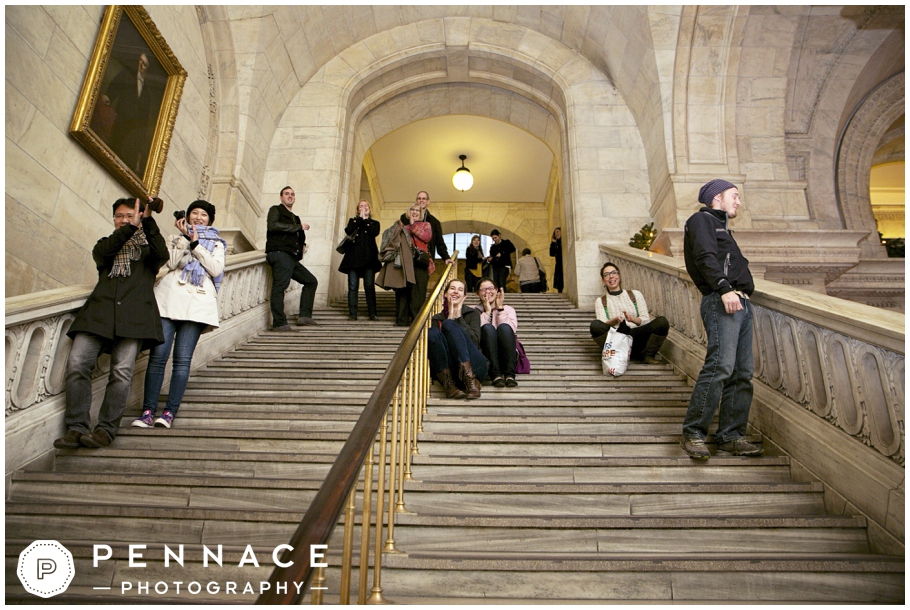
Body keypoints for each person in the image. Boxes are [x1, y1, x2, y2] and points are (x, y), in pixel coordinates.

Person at [53, 197, 168, 449]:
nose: (124, 220)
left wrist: (147, 221)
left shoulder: (149, 250)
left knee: (121, 373)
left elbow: (163, 255)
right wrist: (129, 228)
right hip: (98, 315)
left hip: (135, 319)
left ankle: (106, 429)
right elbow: (102, 254)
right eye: (119, 216)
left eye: (129, 215)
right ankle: (76, 428)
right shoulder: (107, 245)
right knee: (77, 365)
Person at [680, 179, 763, 460]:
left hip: (740, 302)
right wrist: (724, 288)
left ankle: (730, 435)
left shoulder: (721, 227)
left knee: (742, 373)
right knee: (720, 367)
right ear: (717, 197)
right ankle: (694, 432)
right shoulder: (702, 219)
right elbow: (704, 256)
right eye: (734, 196)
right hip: (723, 299)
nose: (739, 202)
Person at [132, 200, 226, 430]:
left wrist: (196, 245)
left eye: (204, 214)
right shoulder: (176, 238)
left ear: (210, 220)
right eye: (195, 213)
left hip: (196, 305)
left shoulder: (217, 244)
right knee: (157, 358)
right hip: (168, 301)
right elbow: (170, 262)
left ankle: (169, 412)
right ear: (187, 216)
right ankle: (147, 411)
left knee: (182, 361)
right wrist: (184, 238)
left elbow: (215, 269)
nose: (199, 217)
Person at [589, 262, 669, 364]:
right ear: (603, 280)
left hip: (637, 335)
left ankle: (648, 355)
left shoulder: (635, 294)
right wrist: (615, 320)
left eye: (614, 273)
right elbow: (602, 323)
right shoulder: (600, 301)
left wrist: (632, 319)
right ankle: (615, 354)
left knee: (662, 322)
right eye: (606, 274)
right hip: (617, 338)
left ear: (619, 276)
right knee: (595, 325)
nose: (611, 276)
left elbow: (645, 320)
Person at [265, 186, 318, 330]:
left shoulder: (295, 217)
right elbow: (273, 226)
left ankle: (305, 316)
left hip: (291, 257)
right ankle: (279, 323)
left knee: (311, 281)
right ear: (281, 197)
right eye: (286, 194)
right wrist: (298, 228)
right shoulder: (275, 210)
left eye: (292, 194)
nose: (290, 196)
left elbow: (299, 236)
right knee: (280, 286)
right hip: (279, 253)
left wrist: (302, 246)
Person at [106, 52, 166, 176]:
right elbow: (114, 87)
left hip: (133, 128)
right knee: (113, 143)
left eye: (144, 63)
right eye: (140, 61)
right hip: (121, 117)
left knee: (125, 151)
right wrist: (108, 98)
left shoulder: (147, 93)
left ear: (147, 68)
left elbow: (145, 117)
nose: (140, 64)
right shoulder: (127, 75)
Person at [428, 279, 488, 399]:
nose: (456, 292)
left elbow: (475, 342)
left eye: (460, 290)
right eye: (452, 288)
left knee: (448, 324)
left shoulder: (472, 313)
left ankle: (471, 381)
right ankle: (448, 384)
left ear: (464, 297)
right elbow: (436, 347)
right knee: (432, 332)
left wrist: (458, 317)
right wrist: (449, 316)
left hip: (475, 366)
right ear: (445, 294)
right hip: (451, 371)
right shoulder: (437, 318)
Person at [377, 205, 421, 326]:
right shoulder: (400, 227)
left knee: (408, 293)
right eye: (412, 210)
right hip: (403, 263)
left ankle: (406, 320)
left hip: (416, 263)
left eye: (417, 211)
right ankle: (402, 320)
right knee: (402, 292)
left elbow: (425, 239)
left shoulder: (424, 226)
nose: (414, 213)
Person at [338, 199, 381, 321]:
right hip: (353, 259)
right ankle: (353, 313)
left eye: (366, 205)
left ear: (369, 208)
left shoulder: (374, 223)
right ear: (357, 209)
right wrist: (359, 219)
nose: (364, 207)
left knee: (369, 285)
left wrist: (365, 220)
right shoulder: (353, 221)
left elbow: (374, 232)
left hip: (369, 259)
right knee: (353, 285)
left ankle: (372, 313)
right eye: (361, 206)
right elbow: (349, 230)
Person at [477, 279, 519, 387]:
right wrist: (487, 312)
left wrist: (500, 309)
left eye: (491, 288)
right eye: (483, 289)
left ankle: (510, 375)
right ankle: (495, 375)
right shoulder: (473, 311)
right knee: (487, 328)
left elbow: (511, 331)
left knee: (504, 327)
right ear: (478, 293)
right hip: (486, 355)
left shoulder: (508, 309)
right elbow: (477, 332)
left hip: (506, 353)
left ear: (496, 291)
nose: (488, 292)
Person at [550, 227, 564, 293]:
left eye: (558, 232)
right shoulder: (556, 243)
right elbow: (551, 253)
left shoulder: (563, 241)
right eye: (555, 233)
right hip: (559, 263)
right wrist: (553, 243)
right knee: (559, 281)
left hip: (563, 263)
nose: (556, 234)